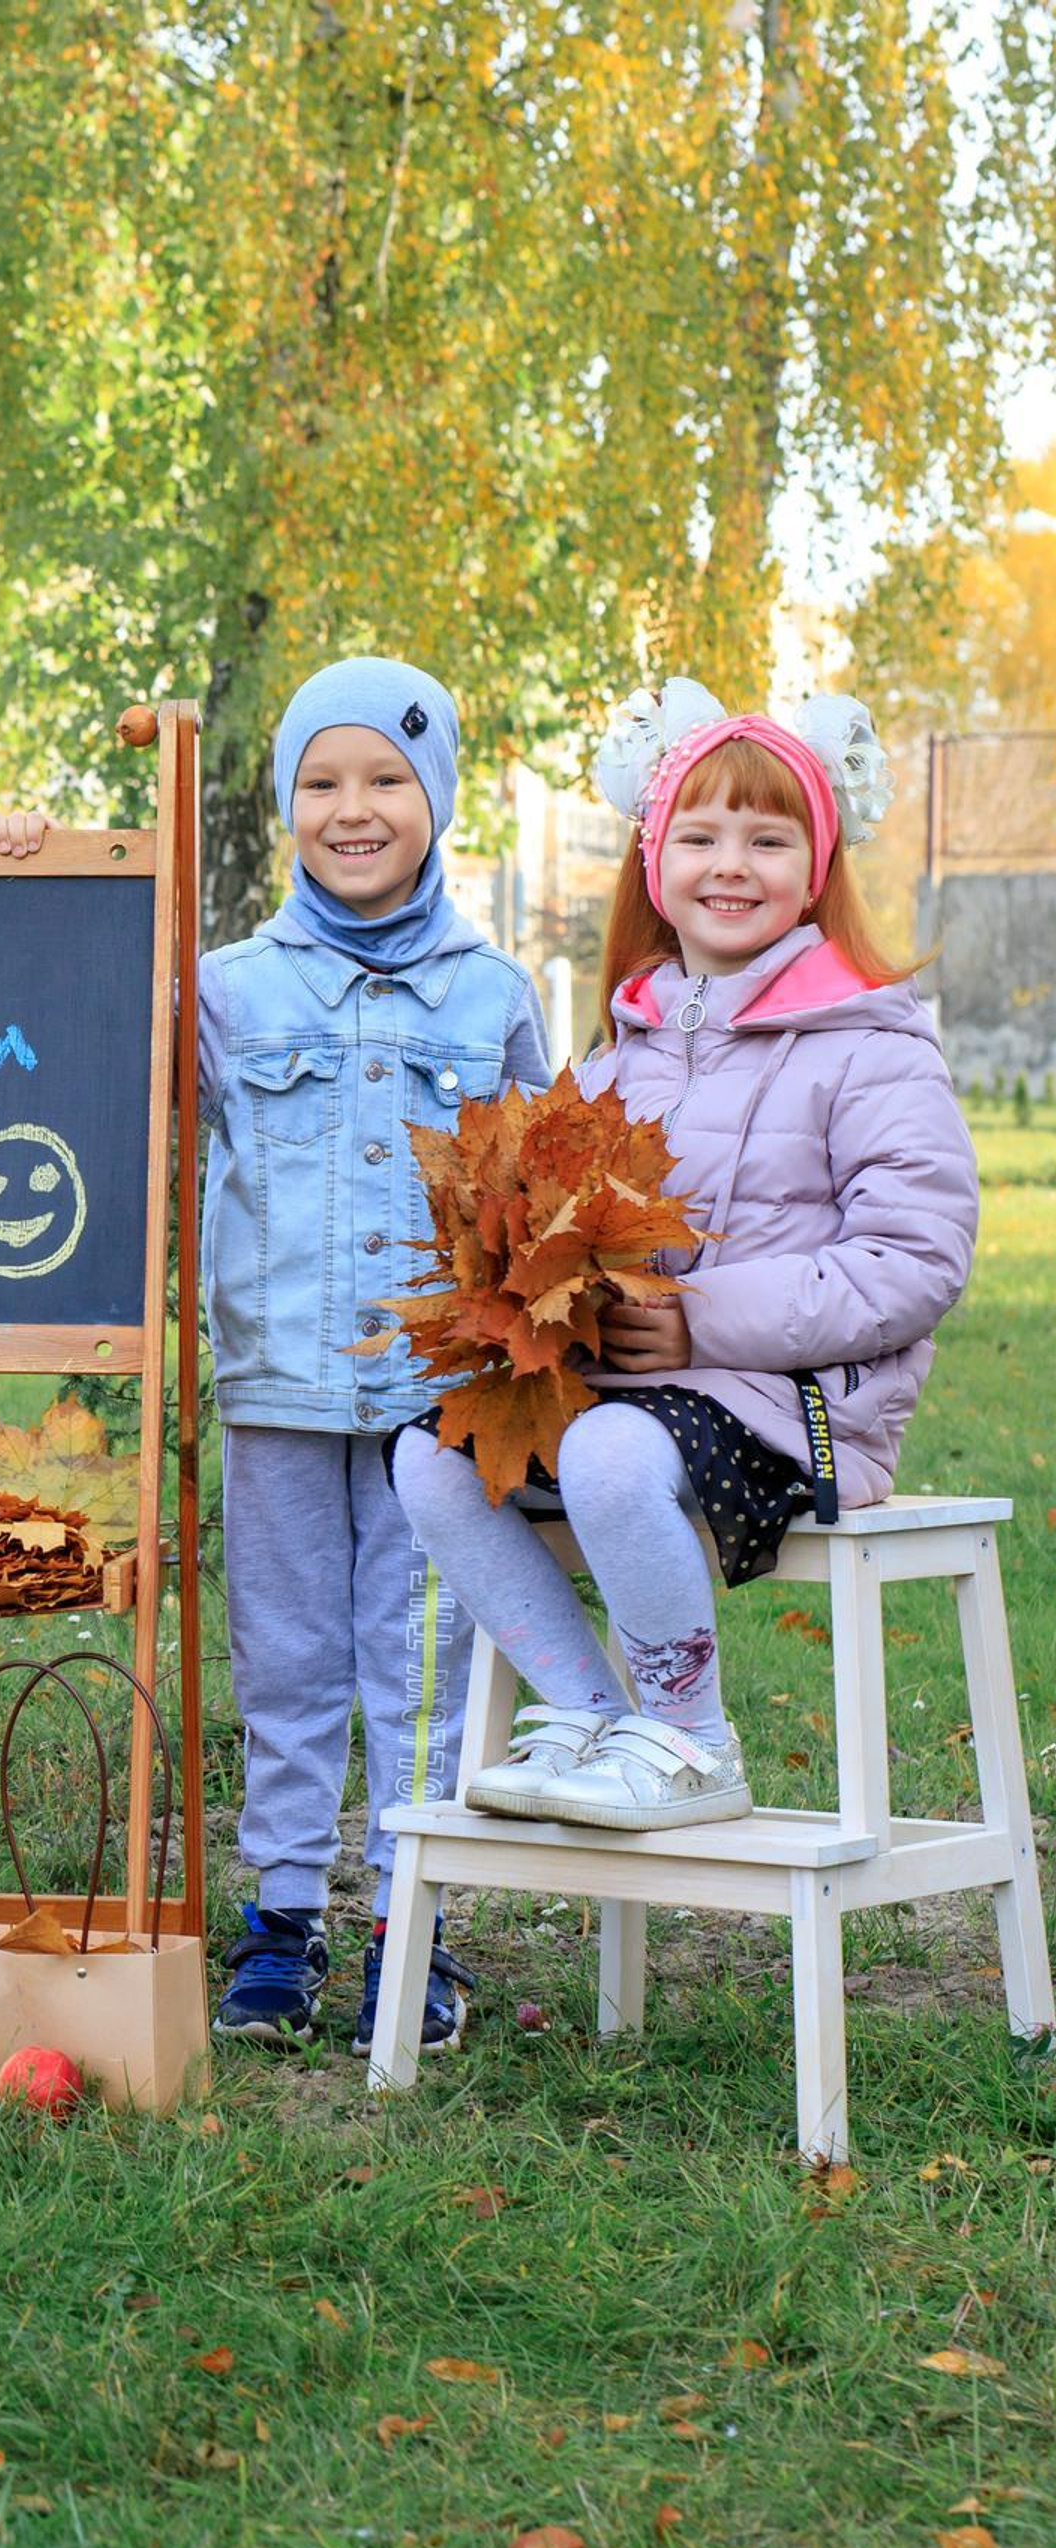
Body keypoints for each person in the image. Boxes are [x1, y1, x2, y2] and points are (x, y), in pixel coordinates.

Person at [0, 659, 546, 2054]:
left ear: (440, 795)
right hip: (280, 1392)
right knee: (286, 1659)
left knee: (420, 1662)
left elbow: (548, 1203)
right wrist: (47, 875)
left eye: (385, 781)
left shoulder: (492, 999)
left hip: (439, 1405)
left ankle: (412, 1926)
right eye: (320, 782)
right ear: (288, 802)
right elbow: (94, 1043)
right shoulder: (227, 990)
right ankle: (279, 1927)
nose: (353, 811)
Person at [393, 684, 975, 1828]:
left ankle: (692, 1737)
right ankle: (590, 1712)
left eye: (768, 838)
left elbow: (913, 1259)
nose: (731, 864)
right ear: (655, 862)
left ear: (815, 867)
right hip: (631, 1391)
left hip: (792, 1403)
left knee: (609, 1451)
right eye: (699, 835)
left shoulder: (869, 1046)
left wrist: (705, 1320)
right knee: (433, 1457)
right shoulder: (622, 1054)